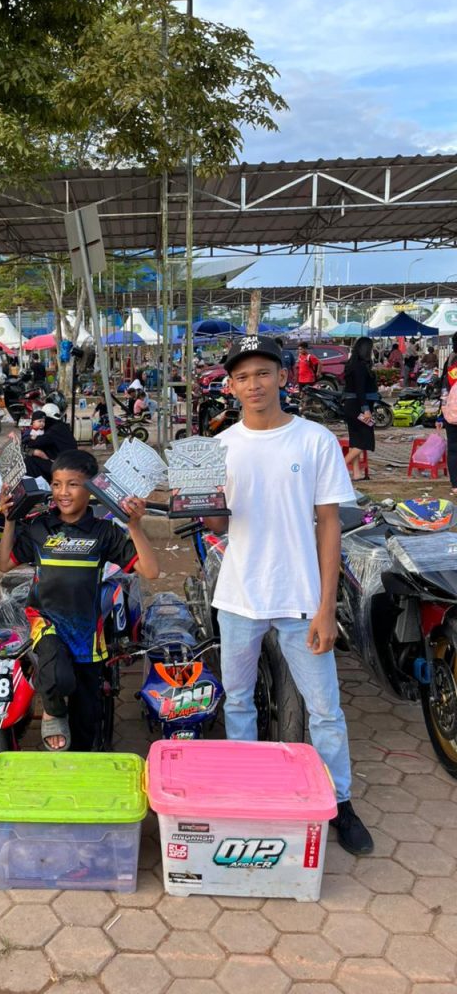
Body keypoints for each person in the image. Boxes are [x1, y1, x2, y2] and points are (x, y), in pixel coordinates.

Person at [204, 334, 373, 856]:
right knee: (238, 701)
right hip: (239, 596)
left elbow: (329, 525)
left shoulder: (314, 440)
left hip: (301, 599)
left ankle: (339, 800)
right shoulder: (220, 446)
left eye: (262, 373)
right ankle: (248, 790)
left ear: (283, 376)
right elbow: (216, 522)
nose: (253, 384)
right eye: (242, 376)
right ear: (231, 387)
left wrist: (326, 607)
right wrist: (198, 503)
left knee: (325, 708)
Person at [0, 449, 159, 751]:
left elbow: (151, 571)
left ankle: (79, 762)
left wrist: (134, 526)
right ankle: (53, 710)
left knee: (87, 721)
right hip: (45, 620)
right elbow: (5, 563)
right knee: (57, 677)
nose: (63, 492)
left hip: (87, 633)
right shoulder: (40, 526)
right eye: (56, 484)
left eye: (72, 484)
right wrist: (10, 521)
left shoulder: (104, 532)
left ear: (92, 488)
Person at [342, 337, 377, 481]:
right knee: (366, 440)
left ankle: (356, 473)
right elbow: (360, 390)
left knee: (355, 440)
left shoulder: (352, 365)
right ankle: (339, 466)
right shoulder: (361, 367)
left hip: (351, 406)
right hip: (359, 407)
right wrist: (366, 409)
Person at [24, 404, 77, 482]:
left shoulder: (53, 430)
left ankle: (41, 486)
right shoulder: (62, 426)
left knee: (29, 461)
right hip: (69, 463)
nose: (42, 423)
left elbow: (35, 443)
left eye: (43, 420)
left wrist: (29, 438)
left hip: (63, 467)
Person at [439, 333, 457, 495]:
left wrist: (441, 414)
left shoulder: (450, 364)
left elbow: (443, 389)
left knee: (453, 448)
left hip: (451, 413)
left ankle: (455, 485)